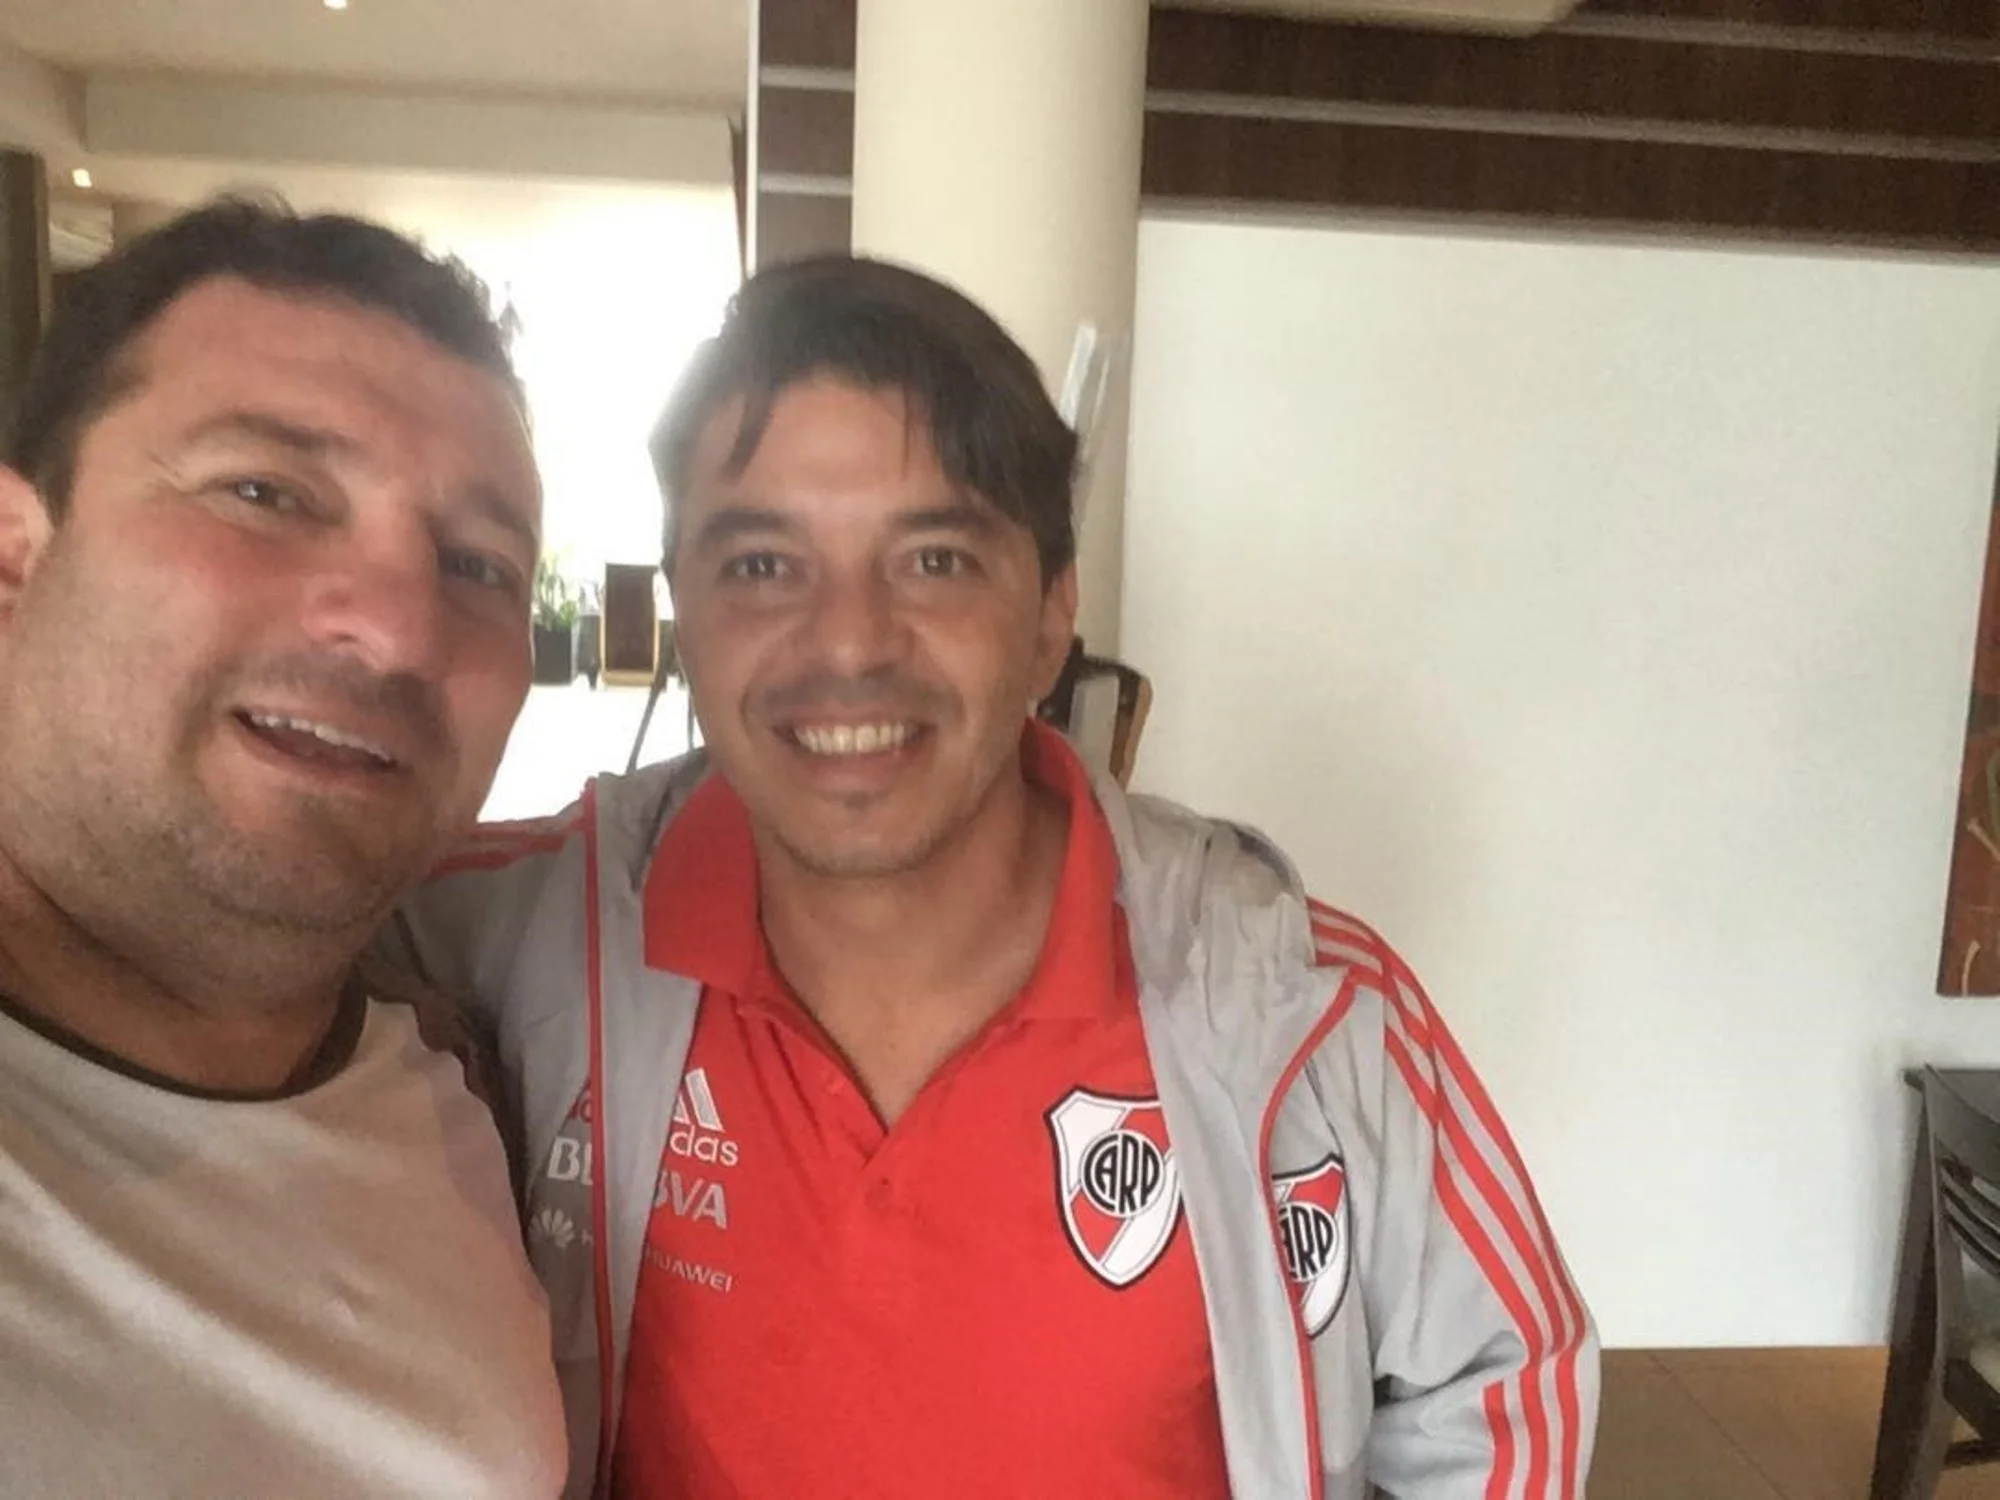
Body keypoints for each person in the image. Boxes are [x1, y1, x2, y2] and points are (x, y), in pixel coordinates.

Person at [392, 255, 1599, 1498]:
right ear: (681, 619)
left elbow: (1503, 1398)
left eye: (933, 561)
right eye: (760, 564)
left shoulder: (1307, 1016)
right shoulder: (500, 935)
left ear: (1048, 616)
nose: (848, 643)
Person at [0, 200, 567, 1496]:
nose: (400, 629)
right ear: (17, 563)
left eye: (478, 565)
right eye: (265, 493)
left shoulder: (461, 1082)